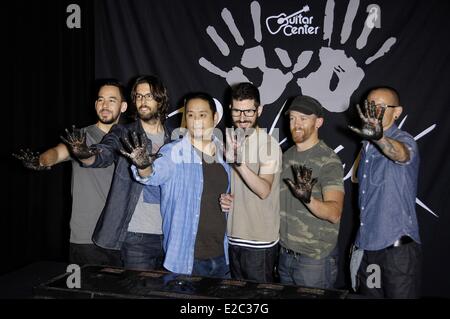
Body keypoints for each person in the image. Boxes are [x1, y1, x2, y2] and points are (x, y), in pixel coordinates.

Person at [62, 75, 173, 271]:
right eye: (138, 96)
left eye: (148, 96)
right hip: (136, 236)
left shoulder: (174, 139)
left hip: (171, 235)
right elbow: (103, 153)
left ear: (160, 99)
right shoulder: (123, 133)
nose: (142, 101)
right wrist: (84, 153)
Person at [12, 79, 127, 266]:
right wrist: (41, 160)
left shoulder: (129, 138)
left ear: (123, 106)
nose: (104, 105)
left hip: (123, 237)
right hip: (86, 238)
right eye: (100, 99)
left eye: (111, 100)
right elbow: (57, 152)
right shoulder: (79, 137)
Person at [124, 92, 231, 277]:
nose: (196, 120)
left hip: (223, 257)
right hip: (185, 262)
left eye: (202, 115)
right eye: (190, 115)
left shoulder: (226, 156)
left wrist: (231, 202)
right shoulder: (173, 152)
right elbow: (153, 175)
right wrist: (143, 166)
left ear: (214, 118)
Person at [349, 87, 421, 298]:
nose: (373, 112)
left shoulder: (404, 140)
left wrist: (380, 138)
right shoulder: (366, 147)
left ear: (396, 112)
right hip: (368, 249)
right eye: (369, 107)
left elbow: (401, 154)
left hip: (396, 252)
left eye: (380, 107)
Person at [279, 95, 344, 289]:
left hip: (314, 260)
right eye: (292, 118)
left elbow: (334, 214)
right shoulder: (286, 155)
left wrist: (308, 200)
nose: (296, 124)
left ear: (319, 122)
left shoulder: (328, 160)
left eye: (303, 118)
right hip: (285, 255)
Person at [219, 82, 282, 283]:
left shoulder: (268, 144)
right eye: (237, 111)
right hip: (234, 236)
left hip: (259, 242)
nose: (243, 118)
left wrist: (238, 163)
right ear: (230, 109)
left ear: (259, 110)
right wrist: (226, 197)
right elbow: (239, 186)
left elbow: (264, 190)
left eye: (248, 111)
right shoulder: (233, 140)